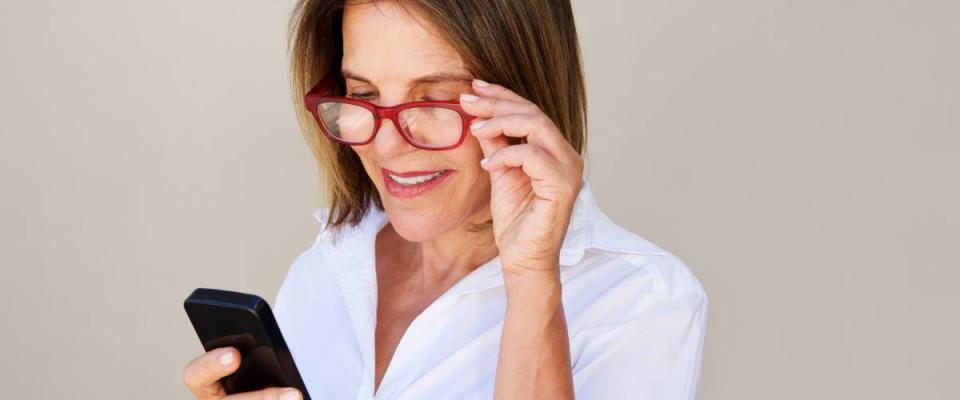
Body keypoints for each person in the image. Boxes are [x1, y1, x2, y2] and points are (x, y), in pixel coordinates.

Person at [183, 0, 708, 399]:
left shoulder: (643, 300)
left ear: (525, 100)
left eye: (435, 99)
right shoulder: (325, 267)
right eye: (363, 95)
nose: (386, 144)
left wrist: (530, 285)